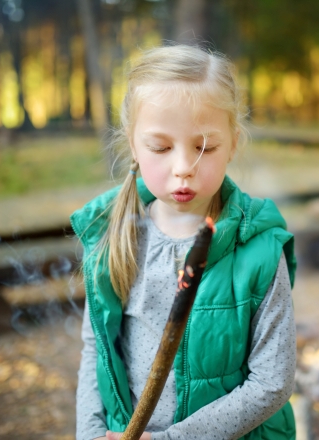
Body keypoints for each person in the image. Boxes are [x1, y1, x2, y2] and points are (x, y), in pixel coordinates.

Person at [71, 44, 297, 440]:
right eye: (160, 147)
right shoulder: (113, 235)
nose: (182, 169)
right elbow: (97, 351)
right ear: (134, 146)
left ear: (234, 143)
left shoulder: (259, 249)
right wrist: (91, 432)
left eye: (205, 147)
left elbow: (272, 384)